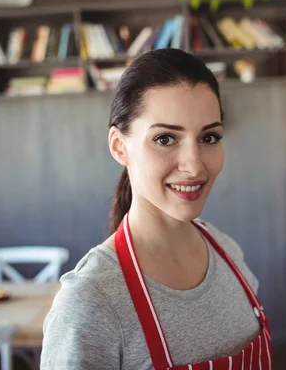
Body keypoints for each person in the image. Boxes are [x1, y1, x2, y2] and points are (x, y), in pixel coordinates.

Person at [41, 48, 271, 369]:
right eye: (165, 139)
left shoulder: (228, 253)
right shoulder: (91, 301)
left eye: (209, 137)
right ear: (120, 147)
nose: (193, 166)